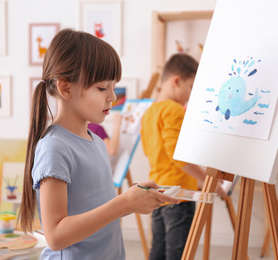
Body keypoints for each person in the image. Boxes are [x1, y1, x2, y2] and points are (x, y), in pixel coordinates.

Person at [18, 29, 179, 260]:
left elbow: (96, 212)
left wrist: (132, 201)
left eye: (114, 87)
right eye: (102, 88)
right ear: (66, 88)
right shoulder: (55, 147)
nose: (112, 96)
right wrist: (123, 204)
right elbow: (55, 236)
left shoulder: (97, 143)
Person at [140, 53, 226, 260]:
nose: (190, 96)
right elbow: (178, 157)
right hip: (178, 195)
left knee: (158, 249)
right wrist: (207, 181)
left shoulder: (150, 112)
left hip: (157, 190)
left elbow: (151, 151)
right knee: (178, 253)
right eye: (190, 88)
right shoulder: (174, 110)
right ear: (176, 81)